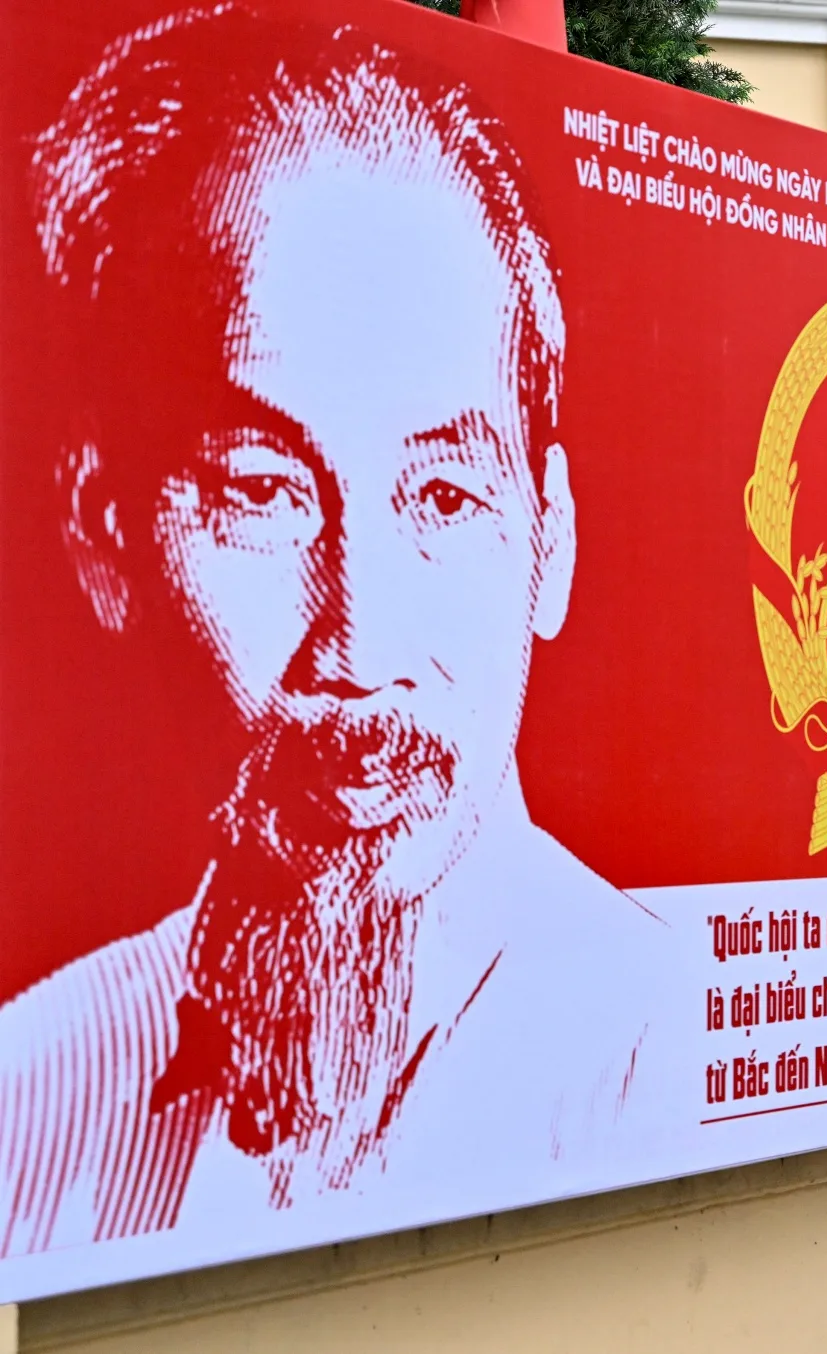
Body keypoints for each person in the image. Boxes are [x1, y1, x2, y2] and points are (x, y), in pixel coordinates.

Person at [0, 7, 677, 1263]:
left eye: (443, 495)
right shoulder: (29, 1100)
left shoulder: (672, 1046)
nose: (360, 645)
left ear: (550, 541)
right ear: (104, 535)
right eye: (261, 490)